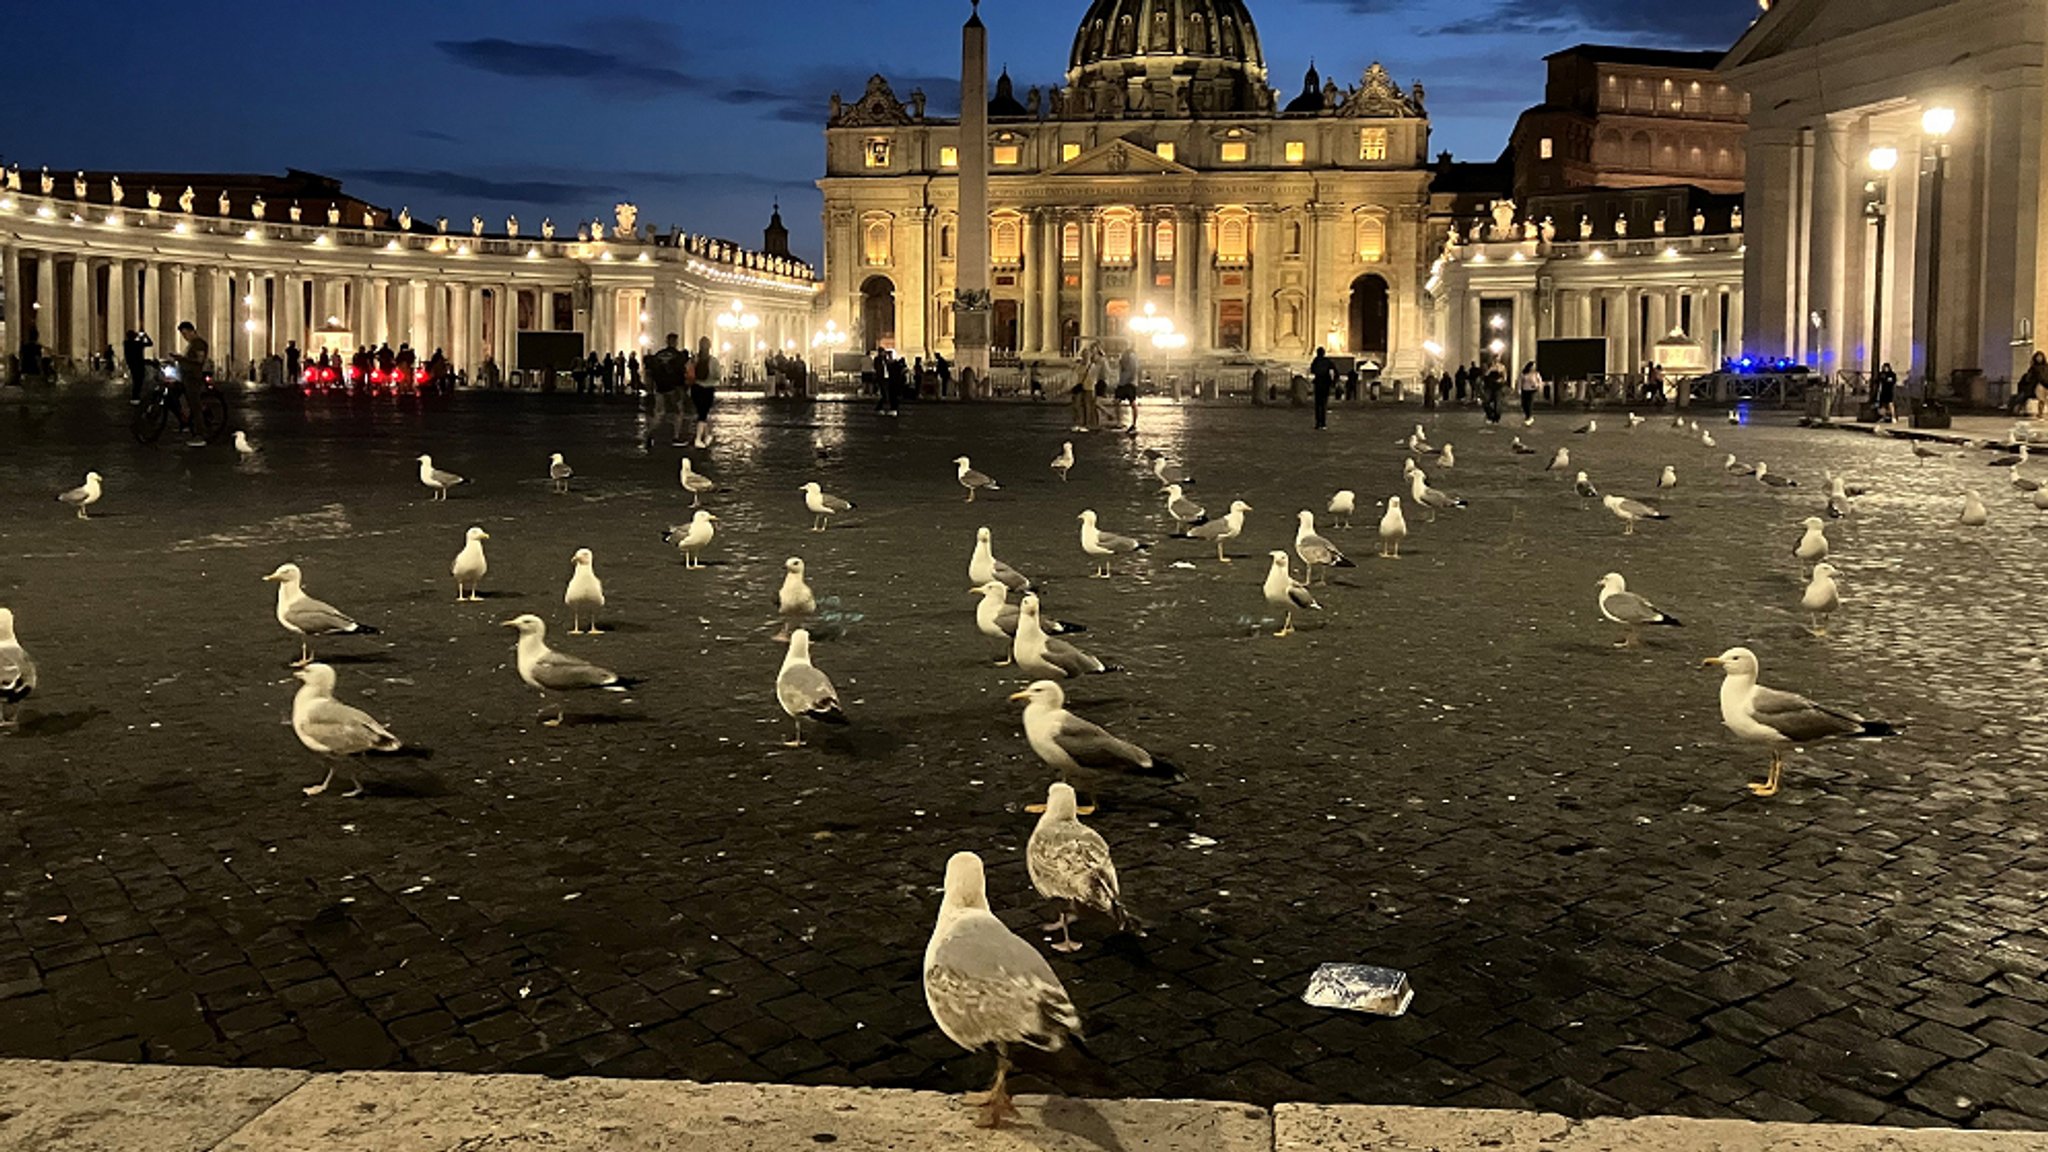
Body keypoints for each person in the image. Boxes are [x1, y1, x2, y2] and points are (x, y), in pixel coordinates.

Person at [644, 333, 690, 446]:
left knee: (659, 413)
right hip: (674, 388)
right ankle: (676, 437)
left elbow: (651, 371)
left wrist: (651, 388)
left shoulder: (659, 355)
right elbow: (681, 373)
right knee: (678, 412)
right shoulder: (678, 356)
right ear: (675, 342)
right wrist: (684, 388)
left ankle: (650, 434)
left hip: (660, 388)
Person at [174, 321, 210, 446]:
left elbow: (199, 360)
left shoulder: (198, 343)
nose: (184, 337)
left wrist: (182, 359)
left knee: (195, 406)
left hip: (193, 378)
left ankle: (201, 435)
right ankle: (186, 423)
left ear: (191, 331)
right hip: (187, 376)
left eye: (185, 333)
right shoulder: (192, 344)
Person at [691, 336, 720, 445]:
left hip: (695, 388)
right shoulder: (713, 361)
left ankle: (707, 435)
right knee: (702, 415)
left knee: (701, 412)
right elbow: (717, 375)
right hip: (708, 389)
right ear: (710, 347)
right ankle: (698, 439)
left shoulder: (694, 359)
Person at [1115, 345, 1140, 434]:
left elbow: (1134, 369)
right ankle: (1119, 422)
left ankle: (1133, 423)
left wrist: (1130, 379)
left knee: (1132, 403)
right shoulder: (1125, 355)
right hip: (1124, 382)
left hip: (1129, 383)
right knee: (1117, 401)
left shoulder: (1131, 356)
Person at [2014, 353, 2048, 419]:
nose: (2039, 359)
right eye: (2038, 357)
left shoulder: (2046, 367)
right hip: (2036, 385)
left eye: (2040, 357)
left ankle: (2040, 413)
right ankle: (2039, 413)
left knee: (2042, 400)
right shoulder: (2033, 368)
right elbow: (2029, 378)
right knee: (2041, 398)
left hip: (2045, 384)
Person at [123, 329, 153, 404]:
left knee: (136, 380)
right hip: (139, 364)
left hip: (132, 365)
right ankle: (136, 396)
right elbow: (150, 343)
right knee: (139, 381)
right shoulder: (138, 344)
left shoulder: (126, 343)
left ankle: (135, 396)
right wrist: (145, 336)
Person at [1309, 346, 1335, 430]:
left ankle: (1317, 423)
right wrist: (1332, 382)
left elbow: (1312, 370)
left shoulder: (1316, 361)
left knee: (1318, 404)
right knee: (1323, 404)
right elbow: (1335, 370)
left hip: (1318, 384)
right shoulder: (1327, 361)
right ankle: (1323, 423)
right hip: (1325, 384)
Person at [1517, 360, 1543, 425]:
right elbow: (1520, 381)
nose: (1533, 368)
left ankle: (1529, 417)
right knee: (1524, 404)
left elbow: (1539, 382)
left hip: (1532, 390)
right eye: (1532, 366)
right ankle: (1527, 415)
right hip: (1525, 389)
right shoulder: (1524, 374)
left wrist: (1537, 386)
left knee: (1529, 403)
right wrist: (1519, 389)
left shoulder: (1536, 374)